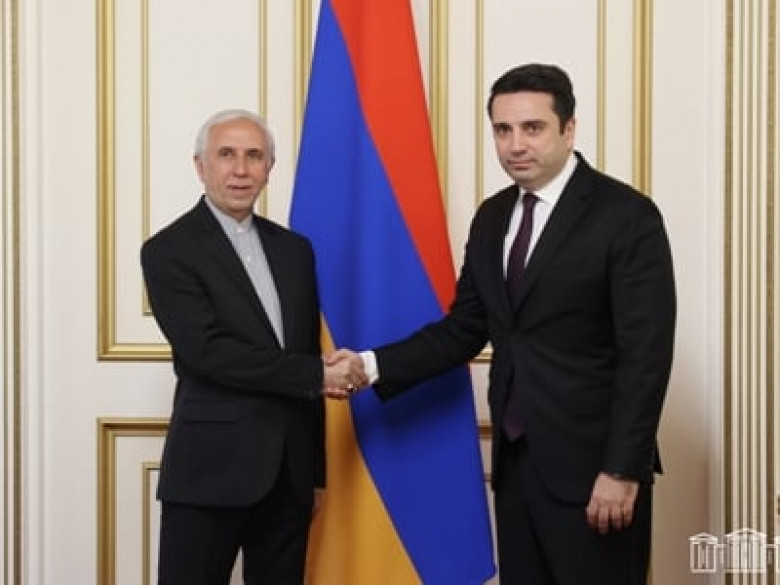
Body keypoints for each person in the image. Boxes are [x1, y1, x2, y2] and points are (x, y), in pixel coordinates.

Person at [329, 64, 676, 584]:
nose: (515, 144)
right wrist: (370, 365)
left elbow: (646, 356)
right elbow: (465, 328)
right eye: (502, 129)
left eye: (532, 128)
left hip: (595, 472)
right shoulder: (493, 217)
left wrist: (622, 469)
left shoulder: (627, 216)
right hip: (516, 469)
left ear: (569, 130)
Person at [141, 109, 365, 585]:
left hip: (289, 475)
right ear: (201, 166)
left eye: (254, 156)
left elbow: (303, 350)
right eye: (226, 155)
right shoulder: (168, 250)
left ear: (270, 167)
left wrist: (314, 473)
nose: (241, 170)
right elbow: (207, 352)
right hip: (209, 473)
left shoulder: (295, 250)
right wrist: (316, 374)